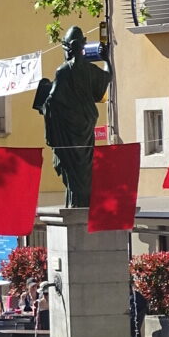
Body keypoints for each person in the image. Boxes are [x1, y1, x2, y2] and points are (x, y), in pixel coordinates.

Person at [34, 24, 110, 207]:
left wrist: (43, 99)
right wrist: (107, 59)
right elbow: (107, 78)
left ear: (67, 48)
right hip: (86, 127)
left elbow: (52, 101)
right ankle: (83, 203)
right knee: (85, 168)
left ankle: (76, 203)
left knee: (71, 170)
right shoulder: (90, 69)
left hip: (67, 132)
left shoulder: (63, 71)